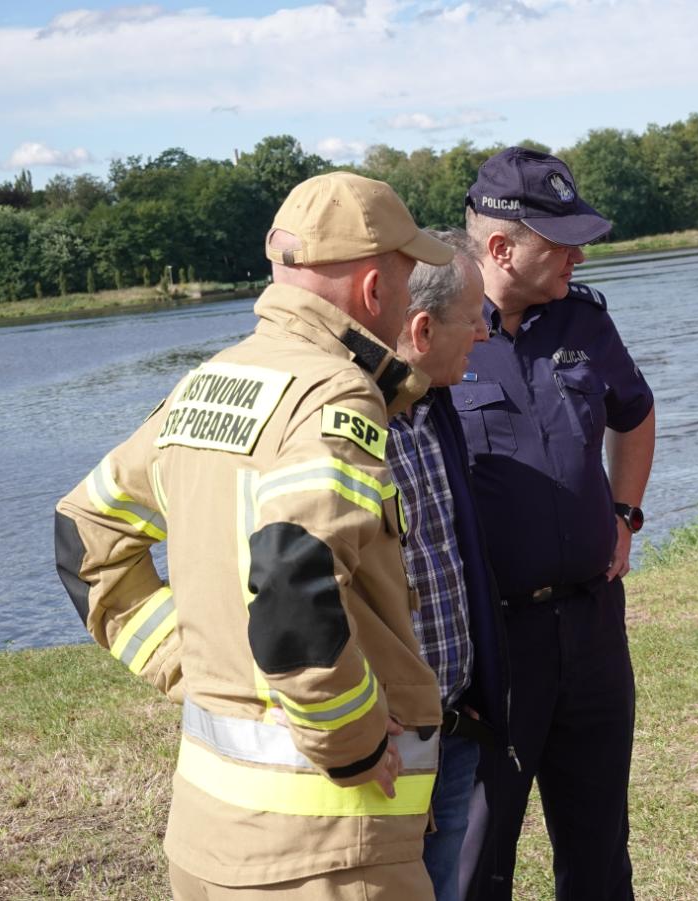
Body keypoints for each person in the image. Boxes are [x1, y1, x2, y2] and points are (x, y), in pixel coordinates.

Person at [54, 171, 454, 899]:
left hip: (209, 840)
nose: (405, 298)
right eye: (405, 276)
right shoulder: (334, 392)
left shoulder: (209, 382)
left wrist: (189, 660)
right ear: (374, 289)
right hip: (328, 855)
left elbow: (84, 532)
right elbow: (293, 584)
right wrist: (354, 741)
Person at [454, 147, 656, 901]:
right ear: (502, 248)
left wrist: (624, 512)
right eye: (560, 239)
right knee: (477, 857)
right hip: (495, 647)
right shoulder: (435, 332)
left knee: (600, 850)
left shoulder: (583, 321)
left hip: (594, 629)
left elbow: (634, 414)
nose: (579, 252)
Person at [386, 229, 506, 901]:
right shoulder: (335, 425)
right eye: (476, 318)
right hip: (383, 744)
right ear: (424, 327)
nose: (486, 335)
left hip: (453, 724)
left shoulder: (434, 405)